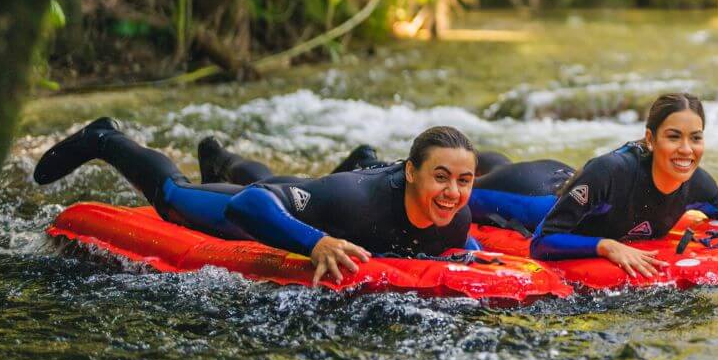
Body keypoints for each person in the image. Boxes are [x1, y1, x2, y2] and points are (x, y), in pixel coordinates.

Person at [33, 119, 479, 285]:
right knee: (174, 198)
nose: (453, 193)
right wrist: (316, 243)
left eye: (464, 180)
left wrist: (478, 258)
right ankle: (105, 137)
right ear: (410, 171)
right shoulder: (354, 201)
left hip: (304, 194)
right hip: (270, 213)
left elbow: (466, 250)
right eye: (441, 177)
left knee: (288, 183)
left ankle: (220, 157)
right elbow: (249, 205)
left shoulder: (456, 220)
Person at [521, 92, 718, 277]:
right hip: (530, 190)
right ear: (650, 139)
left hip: (566, 179)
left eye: (696, 138)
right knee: (487, 173)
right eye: (673, 136)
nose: (686, 149)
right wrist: (606, 247)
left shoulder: (696, 182)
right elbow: (541, 243)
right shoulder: (610, 172)